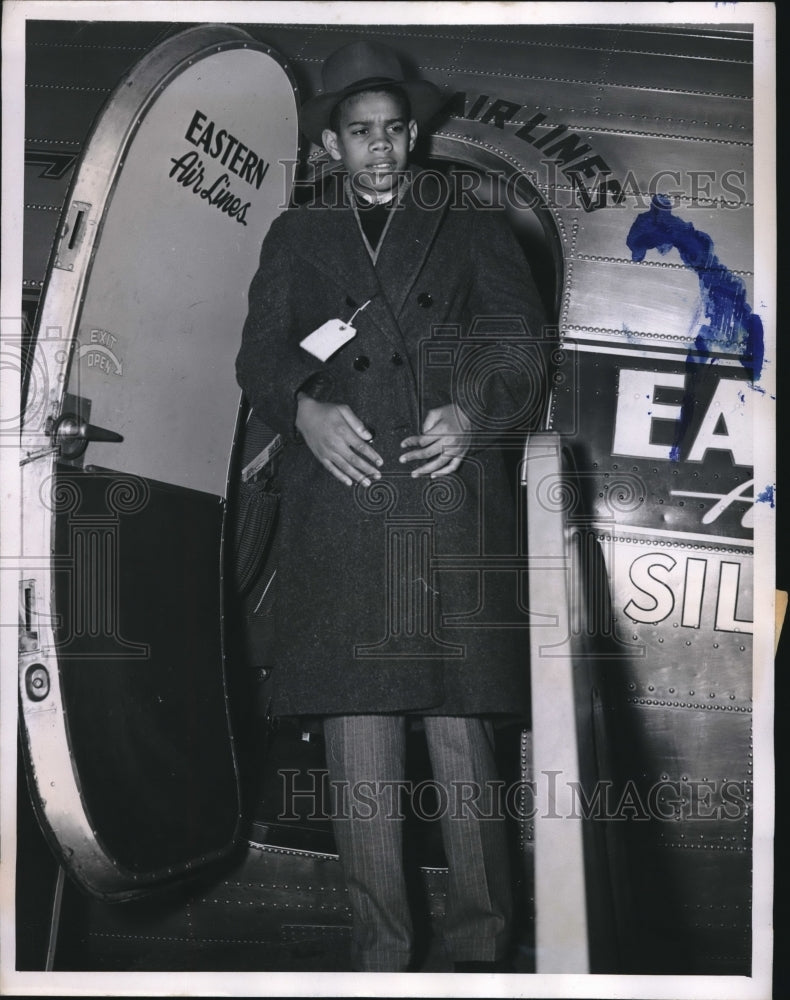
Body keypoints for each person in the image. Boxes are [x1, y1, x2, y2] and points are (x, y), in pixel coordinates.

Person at [235, 39, 547, 973]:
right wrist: (303, 407)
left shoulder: (476, 224)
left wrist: (473, 414)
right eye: (360, 133)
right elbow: (257, 358)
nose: (381, 148)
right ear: (331, 146)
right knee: (356, 738)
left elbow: (521, 346)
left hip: (443, 504)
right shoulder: (297, 235)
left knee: (460, 736)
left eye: (394, 130)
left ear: (414, 134)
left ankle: (487, 949)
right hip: (342, 506)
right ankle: (383, 959)